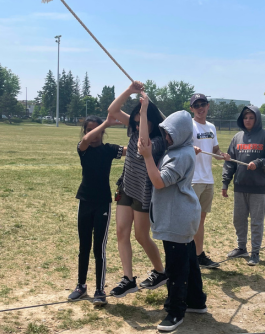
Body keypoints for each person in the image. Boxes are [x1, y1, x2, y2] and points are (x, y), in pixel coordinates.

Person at [138, 110, 207, 332]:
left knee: (176, 268)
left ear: (183, 133)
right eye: (165, 132)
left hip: (177, 218)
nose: (166, 137)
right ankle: (196, 301)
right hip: (180, 216)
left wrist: (148, 156)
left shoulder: (181, 155)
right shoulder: (182, 151)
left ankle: (175, 312)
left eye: (171, 133)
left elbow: (159, 182)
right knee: (189, 260)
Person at [107, 82, 168, 297]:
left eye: (141, 119)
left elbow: (144, 144)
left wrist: (143, 110)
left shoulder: (159, 141)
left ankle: (161, 271)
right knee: (122, 232)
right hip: (126, 186)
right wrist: (130, 91)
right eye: (135, 120)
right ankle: (128, 279)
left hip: (144, 192)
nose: (135, 123)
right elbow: (112, 111)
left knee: (142, 236)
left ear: (151, 120)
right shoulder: (134, 128)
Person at [68, 115, 126, 306]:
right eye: (89, 130)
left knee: (98, 247)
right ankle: (81, 285)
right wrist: (106, 123)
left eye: (97, 130)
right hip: (84, 200)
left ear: (102, 132)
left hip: (103, 202)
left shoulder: (109, 150)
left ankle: (100, 290)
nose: (93, 134)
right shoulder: (82, 148)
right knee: (83, 246)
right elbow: (85, 141)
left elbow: (132, 150)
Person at [222, 106, 265, 266]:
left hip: (258, 188)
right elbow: (230, 162)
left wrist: (259, 162)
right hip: (240, 187)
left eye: (251, 117)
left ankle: (255, 253)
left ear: (257, 119)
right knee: (239, 219)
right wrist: (225, 182)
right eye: (245, 118)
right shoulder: (237, 138)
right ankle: (241, 248)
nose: (247, 120)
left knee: (256, 221)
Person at [189, 93, 230, 269]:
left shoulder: (211, 127)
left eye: (203, 104)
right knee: (189, 220)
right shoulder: (188, 125)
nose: (200, 108)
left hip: (208, 179)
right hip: (192, 179)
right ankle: (186, 256)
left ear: (208, 106)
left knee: (201, 220)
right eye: (196, 105)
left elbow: (215, 151)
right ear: (191, 109)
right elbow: (176, 146)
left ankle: (198, 255)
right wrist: (191, 148)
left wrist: (222, 156)